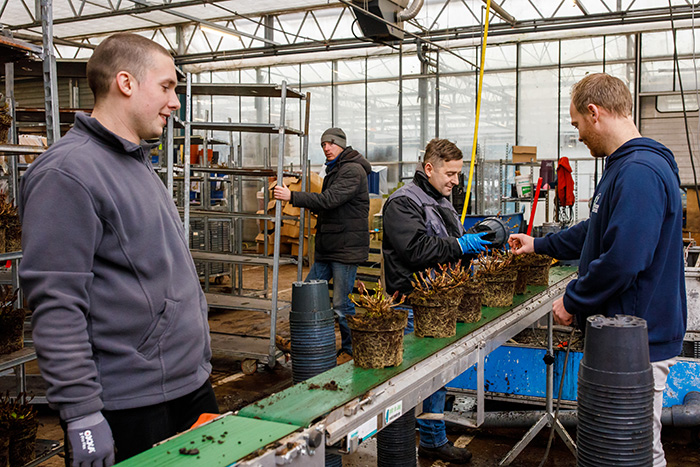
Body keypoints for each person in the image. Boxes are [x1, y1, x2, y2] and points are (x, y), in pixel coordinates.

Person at [19, 33, 218, 466]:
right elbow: (57, 304)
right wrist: (82, 414)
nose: (176, 102)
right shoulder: (68, 174)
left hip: (186, 386)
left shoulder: (135, 162)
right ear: (125, 83)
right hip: (130, 406)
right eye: (167, 87)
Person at [509, 73, 686, 467]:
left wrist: (574, 300)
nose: (579, 136)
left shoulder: (639, 171)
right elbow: (596, 231)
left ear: (594, 112)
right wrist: (539, 244)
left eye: (577, 125)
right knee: (618, 443)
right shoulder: (625, 167)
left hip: (636, 339)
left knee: (631, 446)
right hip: (624, 334)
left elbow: (625, 259)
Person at [382, 138, 490, 464]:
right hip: (413, 304)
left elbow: (447, 244)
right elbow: (415, 250)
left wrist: (471, 248)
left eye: (458, 174)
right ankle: (396, 446)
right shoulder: (402, 203)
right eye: (451, 173)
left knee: (438, 378)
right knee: (404, 382)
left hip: (439, 304)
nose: (456, 181)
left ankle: (432, 440)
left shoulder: (441, 200)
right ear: (429, 168)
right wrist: (461, 245)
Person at [274, 128, 371, 358]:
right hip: (330, 246)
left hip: (345, 249)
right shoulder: (334, 170)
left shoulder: (352, 171)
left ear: (342, 145)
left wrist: (293, 197)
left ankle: (352, 349)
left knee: (340, 304)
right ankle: (305, 343)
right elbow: (329, 206)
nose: (326, 148)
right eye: (323, 145)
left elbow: (329, 200)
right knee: (309, 294)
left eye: (330, 143)